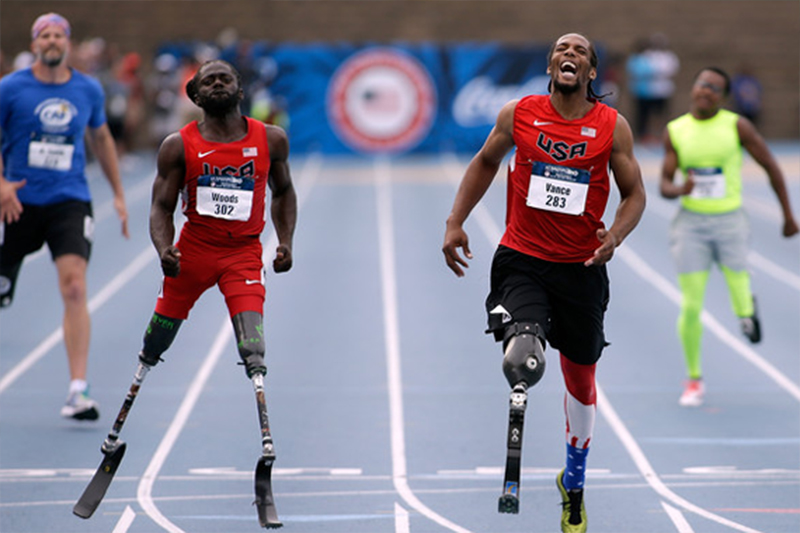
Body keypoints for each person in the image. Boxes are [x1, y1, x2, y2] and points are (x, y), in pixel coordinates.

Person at [442, 33, 646, 533]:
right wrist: (455, 221)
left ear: (592, 72)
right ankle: (521, 356)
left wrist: (614, 237)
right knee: (523, 351)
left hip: (581, 269)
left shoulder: (611, 128)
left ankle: (573, 485)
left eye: (579, 51)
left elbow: (635, 194)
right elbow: (487, 162)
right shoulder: (519, 114)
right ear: (552, 65)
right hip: (523, 259)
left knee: (581, 381)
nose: (569, 54)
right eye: (561, 49)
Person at [134, 56, 296, 438]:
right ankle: (140, 375)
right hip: (192, 253)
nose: (218, 85)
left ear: (240, 90)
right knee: (157, 337)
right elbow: (161, 206)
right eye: (209, 82)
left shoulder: (271, 139)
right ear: (195, 95)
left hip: (243, 253)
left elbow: (284, 191)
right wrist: (163, 250)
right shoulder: (178, 146)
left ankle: (265, 433)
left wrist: (285, 242)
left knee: (252, 345)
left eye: (225, 79)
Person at [0, 13, 129, 420]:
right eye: (45, 35)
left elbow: (102, 138)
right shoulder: (10, 89)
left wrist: (120, 195)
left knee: (74, 287)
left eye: (59, 35)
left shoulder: (87, 89)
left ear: (68, 43)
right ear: (35, 43)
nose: (52, 41)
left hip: (69, 199)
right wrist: (2, 184)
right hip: (17, 201)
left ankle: (78, 390)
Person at [660, 67, 798, 407]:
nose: (706, 91)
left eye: (715, 88)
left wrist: (787, 215)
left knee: (738, 289)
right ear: (693, 88)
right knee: (691, 304)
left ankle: (747, 311)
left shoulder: (737, 126)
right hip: (691, 224)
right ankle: (693, 379)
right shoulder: (676, 130)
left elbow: (770, 166)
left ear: (723, 98)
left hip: (730, 221)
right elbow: (663, 185)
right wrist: (681, 188)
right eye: (702, 84)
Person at [626, 33, 680, 142]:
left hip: (663, 90)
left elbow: (670, 70)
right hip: (646, 90)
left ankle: (660, 133)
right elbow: (645, 70)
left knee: (660, 113)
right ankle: (645, 134)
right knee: (644, 114)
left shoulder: (668, 56)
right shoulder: (647, 56)